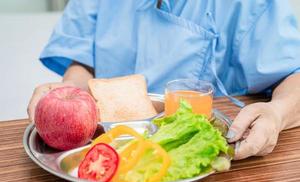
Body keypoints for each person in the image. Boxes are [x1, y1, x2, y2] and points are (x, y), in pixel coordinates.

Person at [28, 0, 300, 160]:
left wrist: (276, 113)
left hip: (199, 164)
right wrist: (67, 97)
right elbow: (81, 64)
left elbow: (293, 74)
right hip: (104, 156)